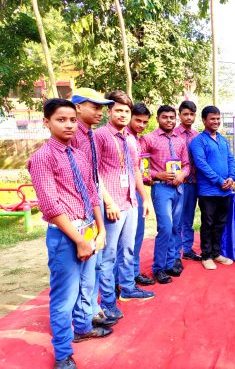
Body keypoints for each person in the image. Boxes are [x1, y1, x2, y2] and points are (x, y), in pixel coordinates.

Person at [28, 99, 111, 369]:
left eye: (72, 120)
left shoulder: (78, 154)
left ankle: (83, 327)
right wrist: (78, 239)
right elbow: (50, 206)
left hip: (88, 229)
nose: (68, 124)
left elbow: (92, 192)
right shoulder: (42, 158)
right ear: (46, 122)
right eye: (60, 119)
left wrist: (99, 231)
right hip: (66, 236)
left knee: (87, 287)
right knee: (64, 296)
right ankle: (63, 353)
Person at [94, 90, 155, 320]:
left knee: (128, 249)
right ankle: (107, 301)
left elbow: (136, 170)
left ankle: (127, 288)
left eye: (126, 111)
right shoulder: (99, 136)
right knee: (108, 255)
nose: (122, 114)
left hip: (130, 202)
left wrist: (145, 198)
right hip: (112, 205)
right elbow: (94, 172)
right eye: (118, 110)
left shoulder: (131, 139)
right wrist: (108, 202)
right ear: (109, 111)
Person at [70, 88, 118, 328]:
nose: (100, 112)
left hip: (91, 208)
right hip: (77, 212)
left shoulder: (90, 134)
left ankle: (90, 310)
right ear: (78, 107)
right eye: (95, 106)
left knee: (92, 265)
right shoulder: (73, 136)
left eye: (102, 107)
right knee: (80, 268)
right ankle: (82, 318)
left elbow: (94, 177)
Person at [140, 105, 190, 283]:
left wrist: (183, 174)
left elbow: (186, 164)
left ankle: (171, 263)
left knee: (176, 227)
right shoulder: (148, 139)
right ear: (158, 118)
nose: (169, 120)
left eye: (172, 117)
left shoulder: (180, 140)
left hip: (179, 188)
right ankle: (158, 268)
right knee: (165, 227)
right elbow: (142, 168)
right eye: (165, 117)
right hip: (161, 188)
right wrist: (157, 175)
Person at [189, 105, 235, 270]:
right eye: (212, 119)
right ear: (204, 120)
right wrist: (219, 181)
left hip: (226, 191)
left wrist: (231, 177)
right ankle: (206, 255)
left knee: (220, 223)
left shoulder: (223, 140)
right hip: (208, 191)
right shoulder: (198, 142)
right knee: (208, 223)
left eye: (218, 119)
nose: (216, 122)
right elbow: (201, 165)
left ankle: (216, 253)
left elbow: (231, 160)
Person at [126, 103, 155, 286]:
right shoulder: (121, 137)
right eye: (138, 120)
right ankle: (119, 280)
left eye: (145, 122)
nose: (141, 125)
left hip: (137, 192)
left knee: (137, 235)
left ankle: (133, 273)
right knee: (124, 241)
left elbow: (139, 169)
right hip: (120, 195)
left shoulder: (137, 139)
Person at [175, 100, 202, 262]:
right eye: (185, 114)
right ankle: (176, 251)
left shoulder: (197, 136)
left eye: (192, 114)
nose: (189, 117)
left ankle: (187, 248)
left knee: (189, 217)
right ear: (179, 115)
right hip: (178, 182)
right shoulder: (174, 134)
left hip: (193, 182)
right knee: (177, 217)